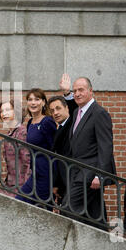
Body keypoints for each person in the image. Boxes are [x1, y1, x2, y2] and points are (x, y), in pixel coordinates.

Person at [63, 77, 116, 226]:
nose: (77, 94)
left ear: (91, 91)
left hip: (90, 172)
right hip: (77, 170)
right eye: (75, 91)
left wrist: (100, 175)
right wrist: (66, 93)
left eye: (81, 90)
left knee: (68, 208)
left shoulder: (99, 113)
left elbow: (105, 147)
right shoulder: (77, 112)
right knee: (95, 214)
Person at [16, 89, 56, 206]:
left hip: (47, 173)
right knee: (20, 201)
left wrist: (56, 181)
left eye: (37, 99)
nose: (33, 103)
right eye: (30, 100)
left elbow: (55, 149)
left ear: (43, 103)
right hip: (35, 172)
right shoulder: (30, 122)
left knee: (44, 208)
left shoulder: (47, 121)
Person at [48, 74, 78, 207]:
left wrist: (67, 93)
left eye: (58, 108)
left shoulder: (73, 123)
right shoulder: (58, 128)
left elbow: (75, 109)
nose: (55, 112)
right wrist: (56, 184)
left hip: (75, 179)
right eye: (52, 110)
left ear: (66, 108)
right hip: (63, 183)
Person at [0, 100, 31, 197]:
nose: (4, 113)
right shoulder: (9, 134)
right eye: (2, 111)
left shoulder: (22, 132)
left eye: (8, 110)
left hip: (21, 187)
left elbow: (27, 163)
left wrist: (25, 190)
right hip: (10, 186)